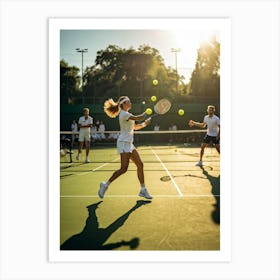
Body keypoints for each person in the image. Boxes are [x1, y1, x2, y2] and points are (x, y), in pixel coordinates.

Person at [98, 96, 152, 199]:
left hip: (129, 144)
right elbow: (138, 117)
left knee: (140, 164)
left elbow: (135, 127)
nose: (130, 103)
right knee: (123, 169)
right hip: (123, 143)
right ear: (123, 104)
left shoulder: (128, 115)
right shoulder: (124, 114)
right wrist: (146, 113)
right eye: (128, 101)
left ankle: (143, 190)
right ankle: (105, 185)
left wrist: (145, 124)